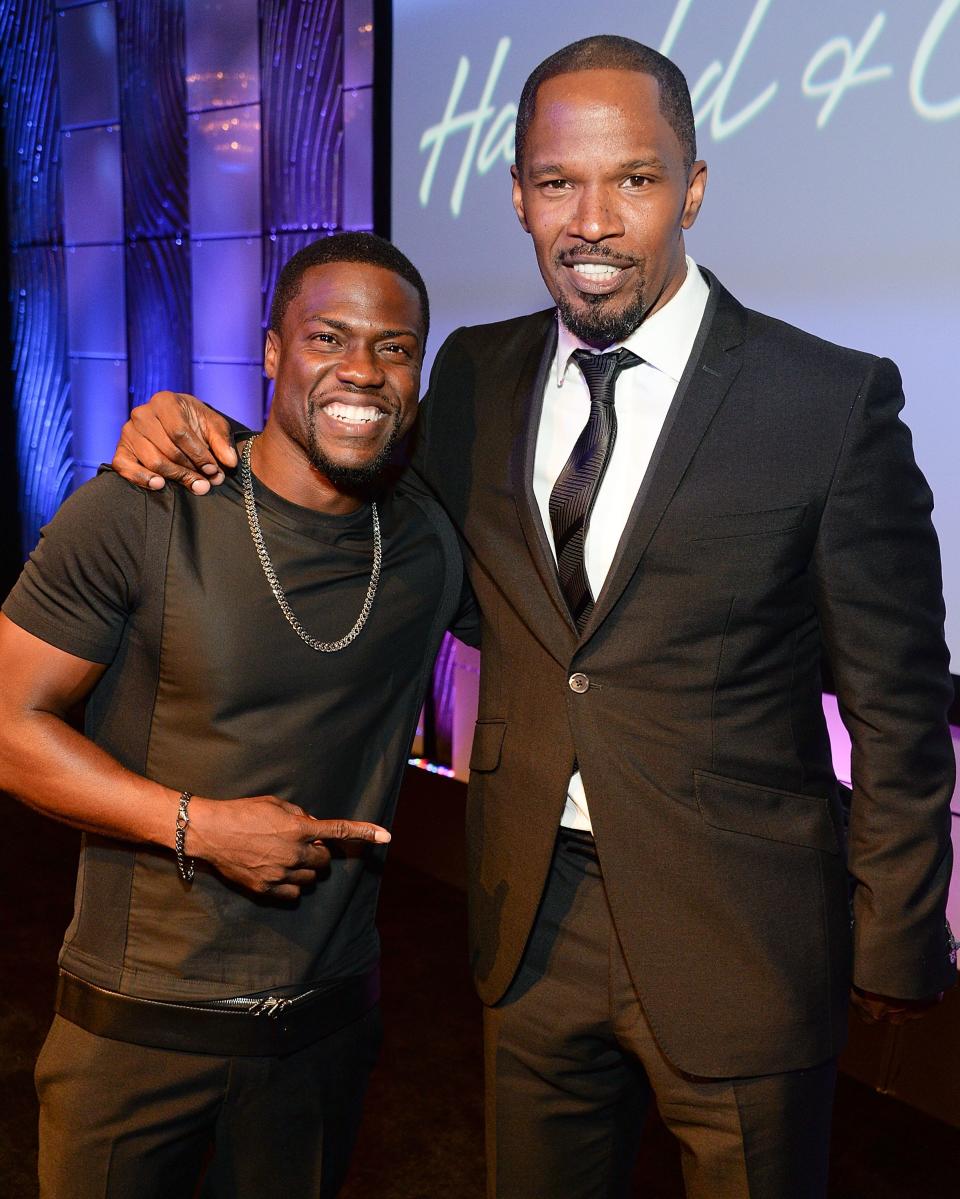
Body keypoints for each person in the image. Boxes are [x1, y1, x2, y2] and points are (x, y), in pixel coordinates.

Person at [110, 36, 957, 1199]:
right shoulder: (475, 371)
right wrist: (187, 425)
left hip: (743, 935)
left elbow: (900, 695)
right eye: (559, 182)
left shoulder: (828, 398)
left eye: (636, 180)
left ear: (694, 189)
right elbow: (369, 515)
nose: (593, 219)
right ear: (516, 198)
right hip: (527, 918)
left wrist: (901, 929)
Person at [0, 232, 472, 1199]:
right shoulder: (146, 508)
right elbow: (8, 723)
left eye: (394, 347)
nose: (362, 370)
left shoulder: (429, 537)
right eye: (327, 337)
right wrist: (201, 826)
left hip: (323, 1031)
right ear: (270, 350)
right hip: (136, 1029)